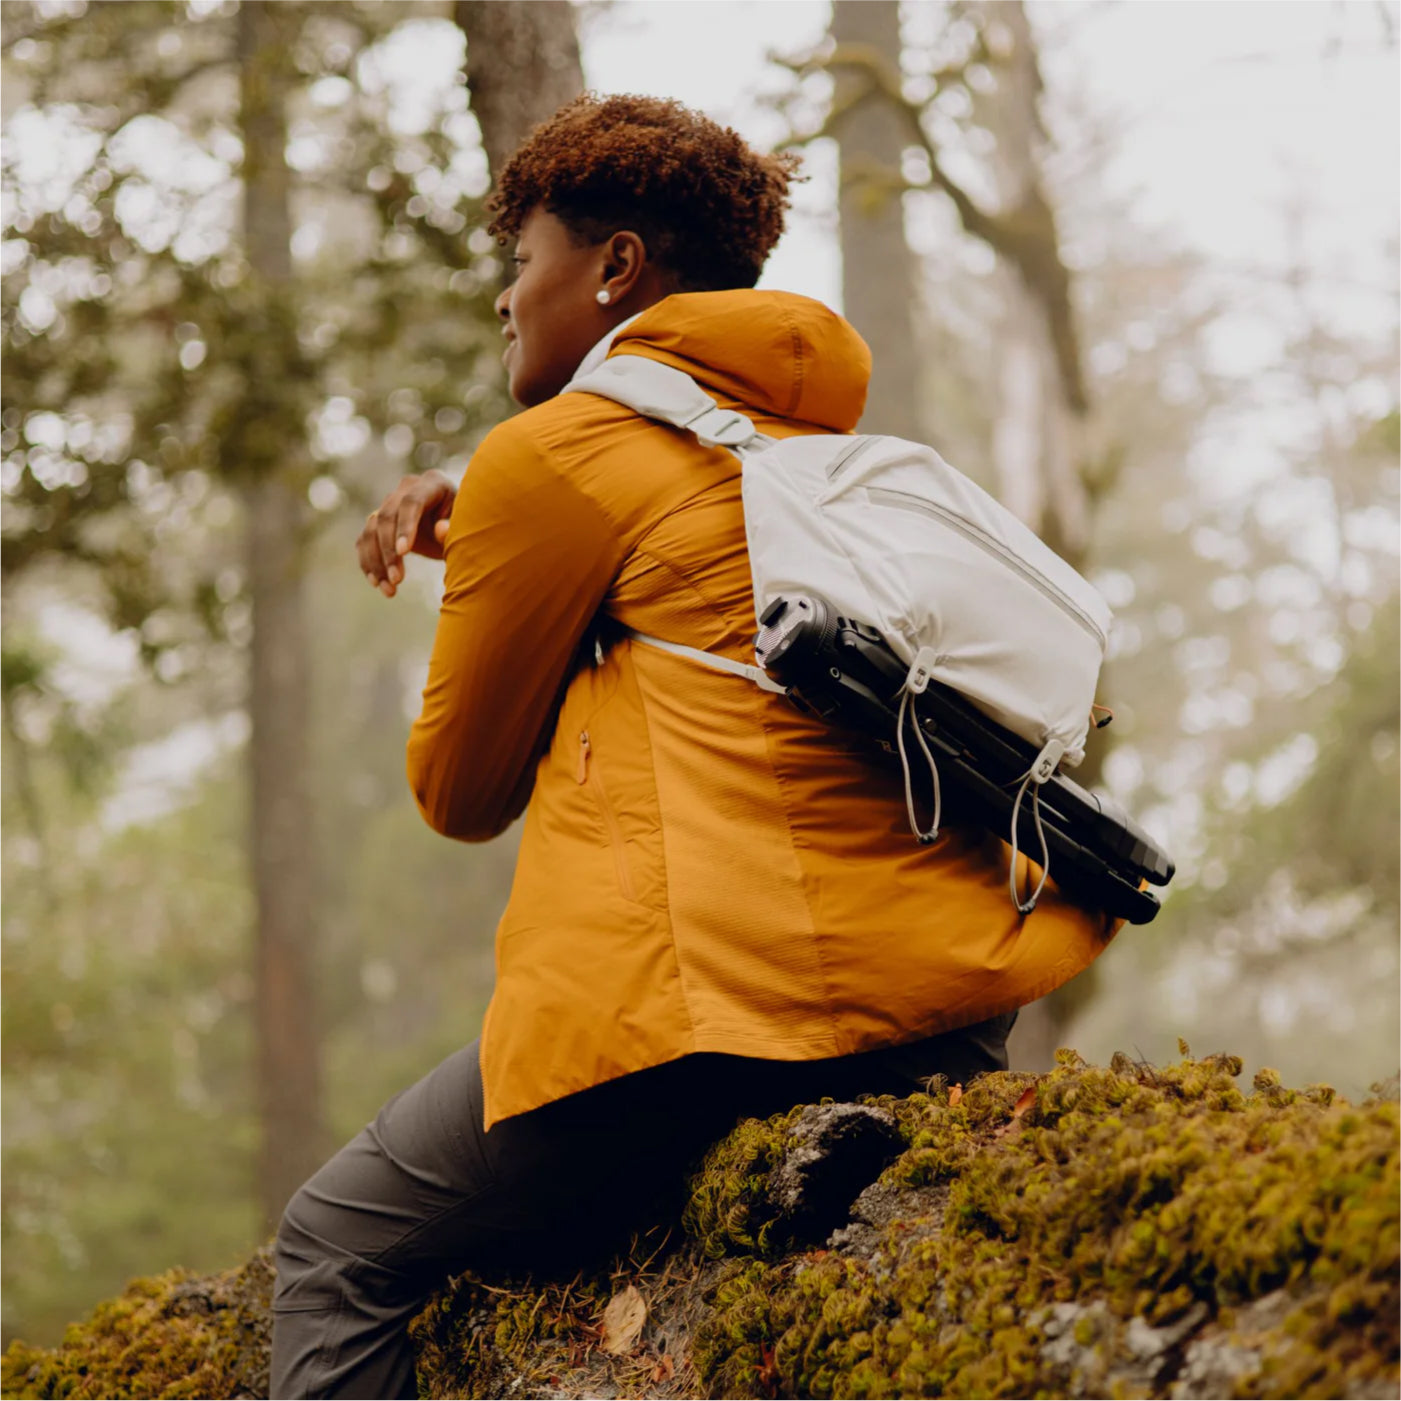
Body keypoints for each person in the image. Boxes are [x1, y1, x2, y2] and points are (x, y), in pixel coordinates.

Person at [270, 94, 1119, 1400]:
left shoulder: (550, 457)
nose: (506, 298)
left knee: (332, 1242)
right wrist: (494, 526)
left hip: (712, 1017)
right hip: (946, 1004)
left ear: (613, 268)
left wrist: (489, 530)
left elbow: (459, 789)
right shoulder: (809, 461)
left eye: (523, 260)